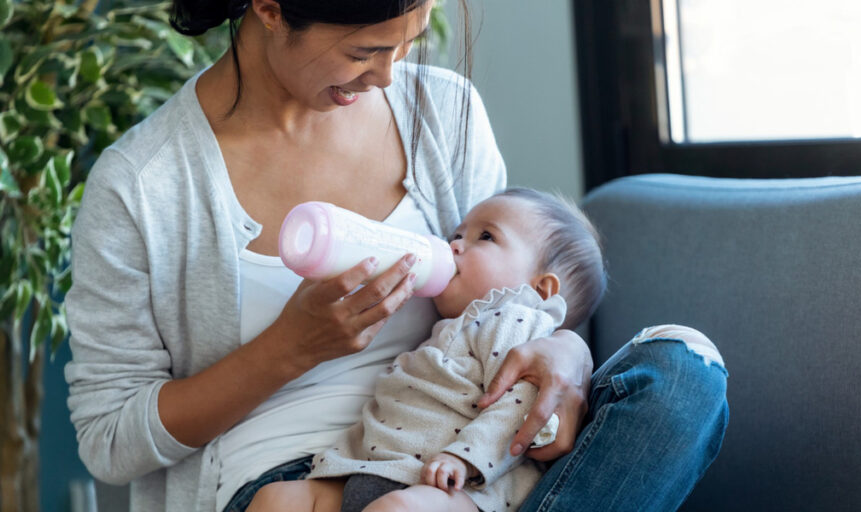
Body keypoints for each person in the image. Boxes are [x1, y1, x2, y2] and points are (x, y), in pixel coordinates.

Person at [63, 1, 729, 511]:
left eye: (407, 42)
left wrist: (568, 355)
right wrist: (290, 349)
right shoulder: (144, 184)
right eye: (365, 51)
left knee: (683, 371)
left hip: (469, 461)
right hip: (299, 480)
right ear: (268, 9)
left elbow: (519, 287)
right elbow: (109, 440)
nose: (388, 76)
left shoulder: (443, 111)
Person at [245, 187, 609, 512]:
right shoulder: (444, 329)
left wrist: (463, 460)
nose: (454, 244)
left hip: (457, 490)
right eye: (457, 233)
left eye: (485, 236)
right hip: (370, 472)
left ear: (541, 290)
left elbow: (520, 406)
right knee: (275, 500)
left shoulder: (514, 321)